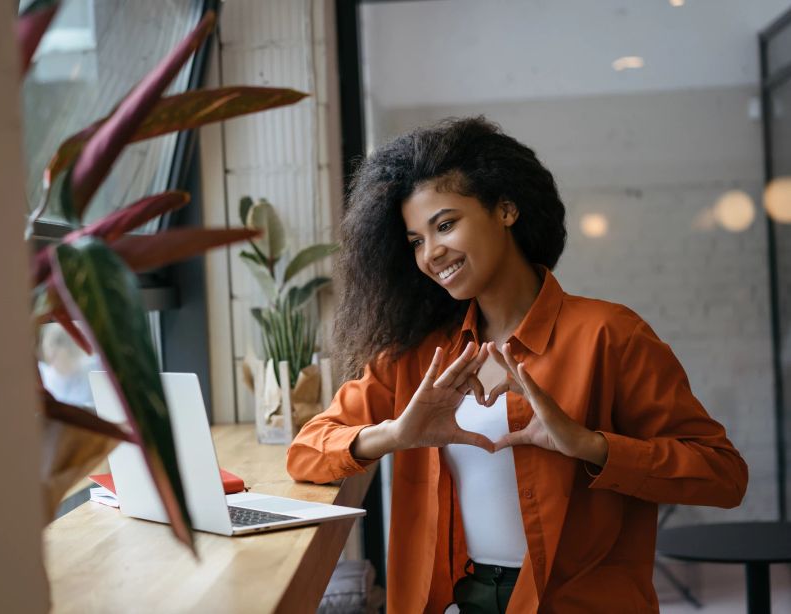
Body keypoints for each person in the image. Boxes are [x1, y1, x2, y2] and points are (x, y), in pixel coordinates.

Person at [286, 117, 748, 613]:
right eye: (416, 240)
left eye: (445, 224)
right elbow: (307, 451)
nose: (431, 253)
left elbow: (722, 475)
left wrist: (590, 445)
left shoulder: (608, 335)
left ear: (506, 209)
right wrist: (397, 434)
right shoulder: (416, 355)